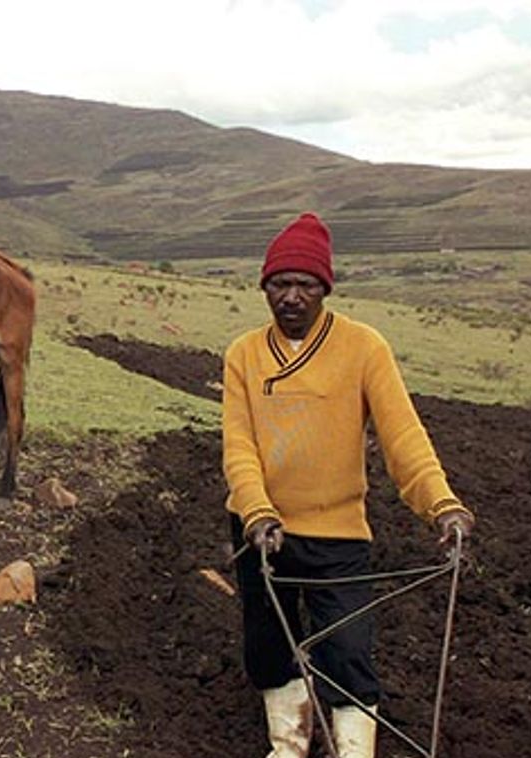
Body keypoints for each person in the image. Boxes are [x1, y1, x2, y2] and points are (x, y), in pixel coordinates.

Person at [221, 212, 475, 758]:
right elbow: (239, 447)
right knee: (269, 647)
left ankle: (354, 751)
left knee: (347, 651)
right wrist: (258, 513)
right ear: (264, 288)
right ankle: (288, 746)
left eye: (305, 285)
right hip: (263, 529)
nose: (291, 297)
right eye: (279, 284)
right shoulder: (243, 353)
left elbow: (403, 435)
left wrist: (442, 504)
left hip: (338, 531)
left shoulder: (364, 348)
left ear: (325, 290)